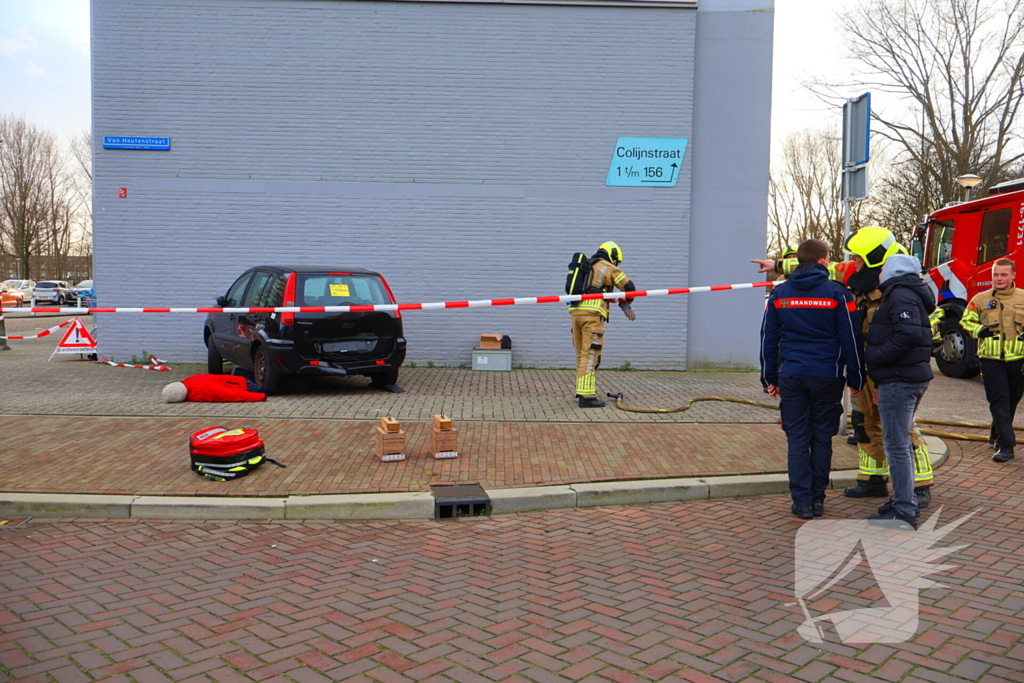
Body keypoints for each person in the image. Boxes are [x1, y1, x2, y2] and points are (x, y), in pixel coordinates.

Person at [752, 227, 936, 508]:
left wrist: (770, 377)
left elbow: (910, 332)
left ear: (875, 258)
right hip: (860, 363)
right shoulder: (852, 279)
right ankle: (872, 477)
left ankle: (919, 484)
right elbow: (819, 264)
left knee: (900, 428)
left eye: (858, 259)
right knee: (864, 422)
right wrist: (776, 264)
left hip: (887, 364)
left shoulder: (900, 284)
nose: (853, 264)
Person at [760, 239, 864, 520]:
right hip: (827, 376)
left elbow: (768, 338)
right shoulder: (839, 293)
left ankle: (802, 502)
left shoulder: (780, 293)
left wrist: (769, 377)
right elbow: (851, 339)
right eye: (828, 259)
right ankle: (817, 499)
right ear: (822, 261)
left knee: (797, 439)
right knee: (821, 439)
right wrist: (856, 378)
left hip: (792, 376)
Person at [864, 254, 936, 528]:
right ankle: (903, 501)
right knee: (901, 443)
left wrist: (877, 357)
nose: (879, 272)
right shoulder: (906, 293)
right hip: (903, 377)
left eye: (883, 268)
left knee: (896, 446)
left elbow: (908, 334)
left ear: (894, 270)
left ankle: (904, 510)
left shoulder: (900, 294)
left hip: (900, 379)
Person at [959, 257, 1024, 463]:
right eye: (995, 275)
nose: (999, 278)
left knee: (1011, 401)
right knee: (999, 400)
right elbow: (965, 321)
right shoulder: (980, 299)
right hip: (990, 360)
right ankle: (1006, 446)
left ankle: (996, 433)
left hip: (1018, 361)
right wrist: (979, 330)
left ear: (1013, 275)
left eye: (1004, 275)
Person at [569, 241, 637, 408]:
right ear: (613, 256)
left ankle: (582, 391)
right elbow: (629, 287)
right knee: (591, 354)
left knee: (581, 355)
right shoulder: (608, 267)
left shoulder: (587, 266)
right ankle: (587, 397)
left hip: (576, 313)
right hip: (592, 315)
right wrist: (625, 303)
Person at [163, 374, 267, 403]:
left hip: (244, 386)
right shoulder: (188, 380)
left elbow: (230, 394)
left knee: (270, 391)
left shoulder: (205, 388)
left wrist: (261, 397)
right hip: (237, 380)